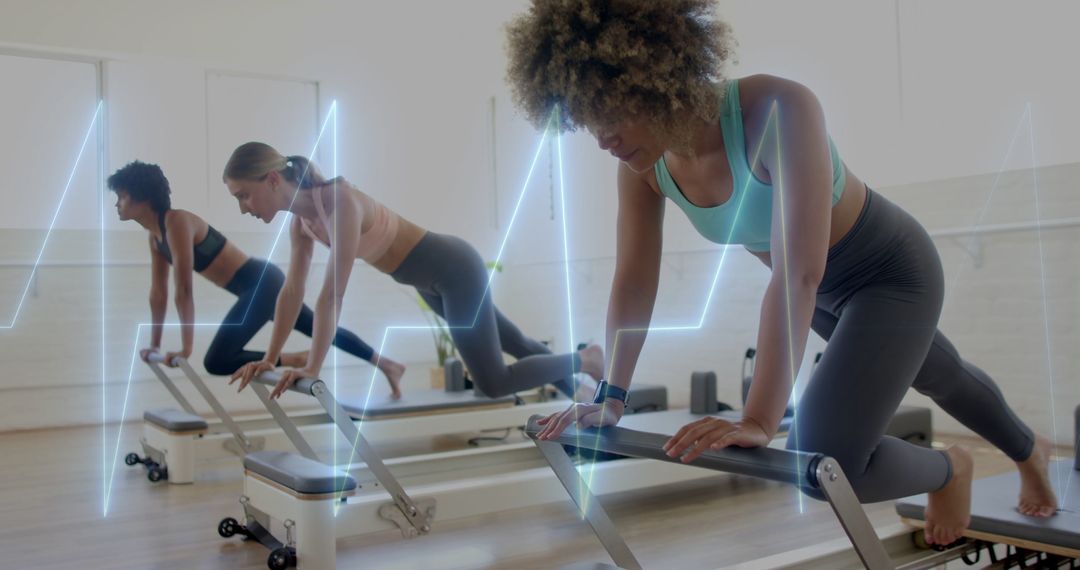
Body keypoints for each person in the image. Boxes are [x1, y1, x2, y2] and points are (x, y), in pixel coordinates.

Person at [505, 0, 1058, 546]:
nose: (602, 138)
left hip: (890, 272)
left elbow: (797, 274)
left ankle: (955, 466)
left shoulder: (776, 108)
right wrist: (611, 394)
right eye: (587, 120)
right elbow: (633, 281)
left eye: (609, 112)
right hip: (823, 295)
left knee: (828, 454)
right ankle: (1024, 450)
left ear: (653, 74)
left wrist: (759, 417)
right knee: (940, 372)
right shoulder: (643, 167)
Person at [222, 143, 605, 402]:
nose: (243, 207)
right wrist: (271, 357)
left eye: (243, 195)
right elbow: (292, 292)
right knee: (518, 343)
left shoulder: (339, 201)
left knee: (492, 382)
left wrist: (312, 367)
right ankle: (586, 397)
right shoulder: (301, 225)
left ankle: (586, 359)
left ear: (273, 179)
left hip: (455, 271)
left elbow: (331, 295)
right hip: (431, 283)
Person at [107, 160, 405, 398]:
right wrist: (155, 345)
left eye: (122, 196)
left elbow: (183, 289)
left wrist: (186, 349)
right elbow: (158, 294)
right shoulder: (155, 238)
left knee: (217, 360)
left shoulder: (177, 222)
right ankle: (388, 365)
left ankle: (296, 359)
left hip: (261, 282)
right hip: (255, 288)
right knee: (318, 327)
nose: (117, 203)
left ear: (144, 197)